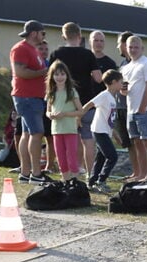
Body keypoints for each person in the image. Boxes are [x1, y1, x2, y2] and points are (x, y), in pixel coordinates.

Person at [49, 22, 102, 177]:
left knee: (68, 141)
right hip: (86, 102)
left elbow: (49, 77)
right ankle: (90, 174)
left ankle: (72, 171)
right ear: (80, 36)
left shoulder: (56, 53)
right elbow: (98, 78)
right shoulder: (88, 54)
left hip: (63, 103)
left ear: (63, 36)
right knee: (88, 139)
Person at [10, 19, 52, 184]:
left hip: (32, 97)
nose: (43, 36)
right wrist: (46, 71)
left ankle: (25, 173)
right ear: (34, 33)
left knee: (27, 134)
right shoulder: (20, 48)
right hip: (27, 97)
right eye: (43, 33)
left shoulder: (32, 49)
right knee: (37, 133)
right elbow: (21, 72)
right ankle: (36, 174)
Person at [121, 35, 147, 182]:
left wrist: (142, 107)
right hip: (130, 110)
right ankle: (140, 174)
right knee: (137, 143)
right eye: (131, 47)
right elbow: (124, 89)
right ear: (126, 48)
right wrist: (122, 90)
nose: (133, 50)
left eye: (136, 47)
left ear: (142, 48)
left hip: (145, 110)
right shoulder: (125, 68)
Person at [80, 69, 122, 194]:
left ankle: (92, 181)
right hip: (99, 130)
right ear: (114, 82)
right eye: (121, 82)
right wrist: (78, 117)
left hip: (105, 131)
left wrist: (115, 135)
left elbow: (109, 120)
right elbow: (88, 105)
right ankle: (101, 180)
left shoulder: (112, 99)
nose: (122, 84)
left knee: (101, 158)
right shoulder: (104, 95)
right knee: (112, 156)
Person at [45, 60, 83, 184]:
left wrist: (65, 114)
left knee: (71, 157)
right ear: (52, 76)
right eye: (56, 74)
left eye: (62, 74)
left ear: (67, 75)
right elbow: (48, 111)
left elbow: (80, 111)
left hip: (70, 129)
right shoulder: (51, 93)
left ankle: (75, 182)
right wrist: (50, 115)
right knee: (60, 158)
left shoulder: (72, 92)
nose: (59, 77)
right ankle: (65, 181)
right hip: (56, 130)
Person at [115, 31, 135, 177]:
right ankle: (136, 172)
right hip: (121, 107)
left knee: (137, 142)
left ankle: (144, 172)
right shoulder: (123, 63)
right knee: (128, 144)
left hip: (132, 108)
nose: (117, 46)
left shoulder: (136, 63)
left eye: (119, 43)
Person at [37, 38, 58, 174]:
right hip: (36, 102)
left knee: (50, 137)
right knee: (35, 135)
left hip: (48, 104)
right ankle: (34, 164)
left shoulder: (51, 66)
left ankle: (49, 166)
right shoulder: (34, 64)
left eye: (46, 49)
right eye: (41, 49)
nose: (44, 52)